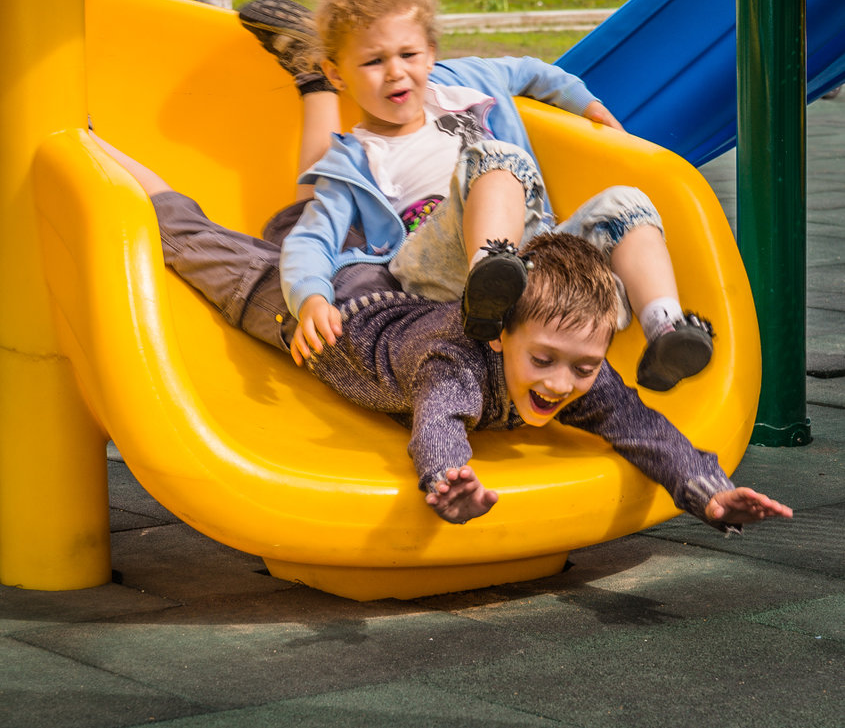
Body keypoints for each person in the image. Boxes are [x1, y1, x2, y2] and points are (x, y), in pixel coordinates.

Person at [88, 131, 792, 530]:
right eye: (545, 358)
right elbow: (437, 421)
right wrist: (447, 477)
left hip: (389, 283)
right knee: (184, 232)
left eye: (582, 367)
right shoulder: (455, 360)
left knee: (309, 225)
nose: (561, 383)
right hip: (325, 312)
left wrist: (708, 490)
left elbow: (643, 427)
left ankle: (310, 187)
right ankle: (94, 144)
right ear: (499, 334)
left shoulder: (575, 371)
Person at [238, 0, 714, 393]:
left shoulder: (465, 83)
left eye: (408, 54)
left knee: (626, 204)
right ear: (337, 75)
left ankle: (665, 330)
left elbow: (531, 71)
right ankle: (488, 283)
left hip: (538, 259)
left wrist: (587, 103)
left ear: (430, 51)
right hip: (440, 270)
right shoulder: (352, 161)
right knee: (487, 159)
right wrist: (310, 298)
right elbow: (310, 237)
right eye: (373, 61)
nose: (396, 73)